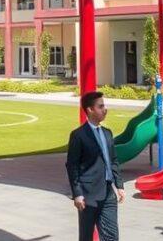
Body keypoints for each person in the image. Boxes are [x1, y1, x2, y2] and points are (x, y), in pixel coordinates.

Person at [66, 91, 124, 241]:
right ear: (90, 110)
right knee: (86, 236)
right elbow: (72, 165)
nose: (105, 109)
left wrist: (119, 185)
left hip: (108, 193)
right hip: (88, 195)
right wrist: (77, 193)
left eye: (104, 105)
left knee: (112, 235)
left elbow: (113, 160)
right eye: (101, 106)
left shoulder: (107, 133)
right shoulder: (78, 135)